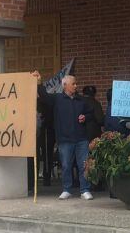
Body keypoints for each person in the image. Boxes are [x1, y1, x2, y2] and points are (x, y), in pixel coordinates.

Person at [32, 71, 94, 201]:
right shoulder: (57, 99)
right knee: (66, 165)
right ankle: (66, 189)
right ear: (65, 85)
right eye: (73, 84)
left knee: (84, 165)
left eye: (76, 84)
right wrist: (39, 82)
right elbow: (44, 96)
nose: (76, 86)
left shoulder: (81, 100)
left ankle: (85, 190)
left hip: (81, 139)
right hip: (64, 139)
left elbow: (90, 113)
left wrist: (85, 117)